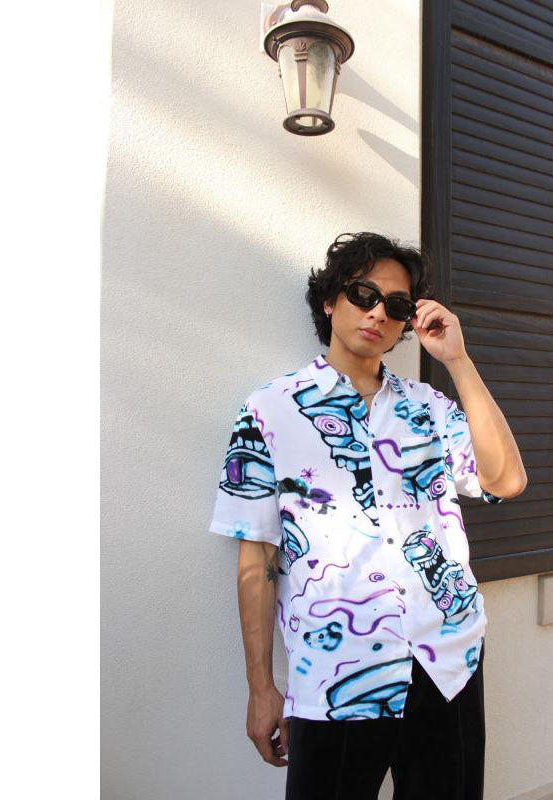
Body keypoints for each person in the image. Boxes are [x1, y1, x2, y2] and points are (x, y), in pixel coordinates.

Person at [208, 232, 527, 799]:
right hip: (336, 675)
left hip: (445, 662)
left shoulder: (429, 409)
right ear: (330, 300)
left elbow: (505, 480)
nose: (379, 313)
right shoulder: (270, 411)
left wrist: (457, 360)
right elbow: (256, 556)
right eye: (363, 294)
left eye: (397, 305)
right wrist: (261, 686)